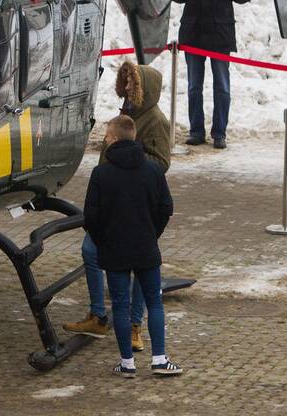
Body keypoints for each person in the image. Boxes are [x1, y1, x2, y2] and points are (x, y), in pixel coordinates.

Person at [62, 62, 171, 353]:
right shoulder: (128, 112)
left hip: (135, 205)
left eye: (131, 86)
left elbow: (162, 162)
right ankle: (98, 315)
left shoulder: (156, 120)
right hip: (111, 199)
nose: (125, 92)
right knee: (90, 250)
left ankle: (135, 325)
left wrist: (128, 165)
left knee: (139, 266)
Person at [84, 115, 180, 378]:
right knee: (154, 303)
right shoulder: (153, 170)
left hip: (115, 250)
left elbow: (91, 216)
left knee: (121, 305)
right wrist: (152, 233)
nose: (104, 140)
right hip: (146, 247)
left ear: (114, 139)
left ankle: (127, 363)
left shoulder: (101, 173)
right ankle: (159, 359)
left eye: (106, 136)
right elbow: (166, 208)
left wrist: (103, 240)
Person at [172, 0, 254, 149]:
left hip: (219, 34)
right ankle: (196, 131)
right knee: (193, 87)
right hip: (193, 33)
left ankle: (220, 133)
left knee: (222, 87)